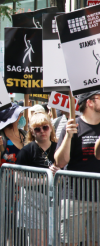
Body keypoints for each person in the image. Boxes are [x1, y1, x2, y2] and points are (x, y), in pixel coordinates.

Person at [55, 90, 100, 245]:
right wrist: (68, 136)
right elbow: (60, 162)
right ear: (90, 102)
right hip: (75, 197)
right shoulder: (73, 126)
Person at [0, 104, 29, 245]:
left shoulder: (24, 135)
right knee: (4, 227)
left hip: (24, 189)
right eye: (18, 115)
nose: (22, 117)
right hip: (5, 190)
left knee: (21, 229)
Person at [16, 113, 60, 246]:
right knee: (39, 241)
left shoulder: (59, 148)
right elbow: (18, 180)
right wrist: (46, 180)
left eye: (45, 127)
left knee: (55, 240)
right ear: (32, 132)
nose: (42, 131)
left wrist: (59, 174)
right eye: (37, 129)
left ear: (51, 128)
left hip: (57, 198)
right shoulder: (26, 151)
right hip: (32, 199)